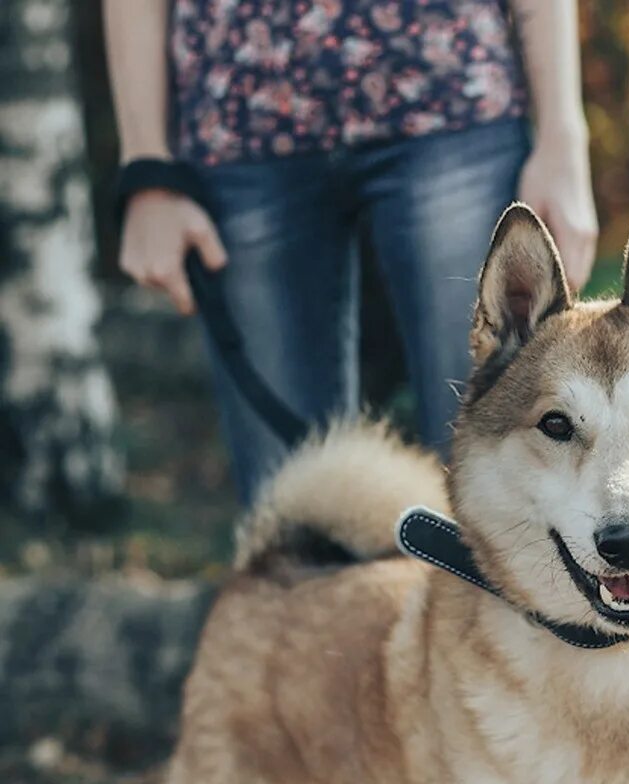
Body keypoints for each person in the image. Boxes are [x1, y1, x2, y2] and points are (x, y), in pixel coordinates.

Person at [105, 0, 598, 504]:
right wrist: (146, 168)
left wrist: (563, 134)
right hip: (240, 124)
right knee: (292, 513)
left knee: (500, 484)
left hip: (451, 99)